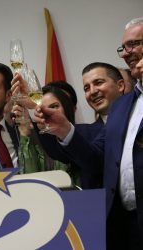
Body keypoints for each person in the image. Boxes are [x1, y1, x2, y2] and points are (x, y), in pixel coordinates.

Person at [34, 19, 143, 249]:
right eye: (124, 47)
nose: (126, 53)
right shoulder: (122, 108)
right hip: (124, 226)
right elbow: (96, 159)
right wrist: (64, 129)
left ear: (120, 85)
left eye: (134, 44)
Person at [12, 85, 80, 186]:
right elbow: (29, 182)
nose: (46, 113)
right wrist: (24, 131)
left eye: (54, 106)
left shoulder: (82, 135)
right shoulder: (35, 142)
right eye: (41, 109)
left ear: (67, 109)